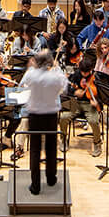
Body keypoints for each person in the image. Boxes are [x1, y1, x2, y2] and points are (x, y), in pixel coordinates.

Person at [14, 46, 66, 194]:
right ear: (49, 62)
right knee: (51, 148)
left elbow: (21, 87)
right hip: (50, 114)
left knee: (35, 150)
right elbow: (64, 87)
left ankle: (35, 185)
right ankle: (51, 178)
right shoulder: (55, 75)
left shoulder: (31, 74)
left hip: (35, 115)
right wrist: (56, 68)